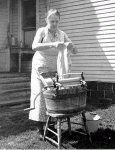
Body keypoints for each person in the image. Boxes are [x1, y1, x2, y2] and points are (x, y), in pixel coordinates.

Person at [29, 9, 78, 140]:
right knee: (41, 94)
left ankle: (50, 125)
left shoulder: (62, 33)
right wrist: (52, 44)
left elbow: (75, 51)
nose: (54, 24)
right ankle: (40, 128)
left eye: (56, 21)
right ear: (47, 20)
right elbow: (34, 46)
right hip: (41, 65)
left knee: (53, 93)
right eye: (52, 21)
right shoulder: (42, 31)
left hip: (55, 66)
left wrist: (71, 46)